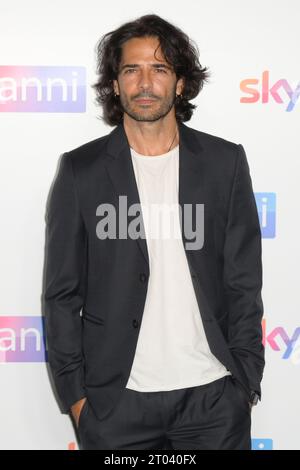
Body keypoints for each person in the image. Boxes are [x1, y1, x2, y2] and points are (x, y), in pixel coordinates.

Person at [43, 14, 265, 450]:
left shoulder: (225, 164)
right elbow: (61, 295)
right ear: (115, 83)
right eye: (131, 70)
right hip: (115, 406)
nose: (145, 82)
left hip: (214, 400)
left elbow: (243, 281)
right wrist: (78, 399)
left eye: (159, 69)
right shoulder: (80, 171)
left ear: (180, 82)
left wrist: (245, 380)